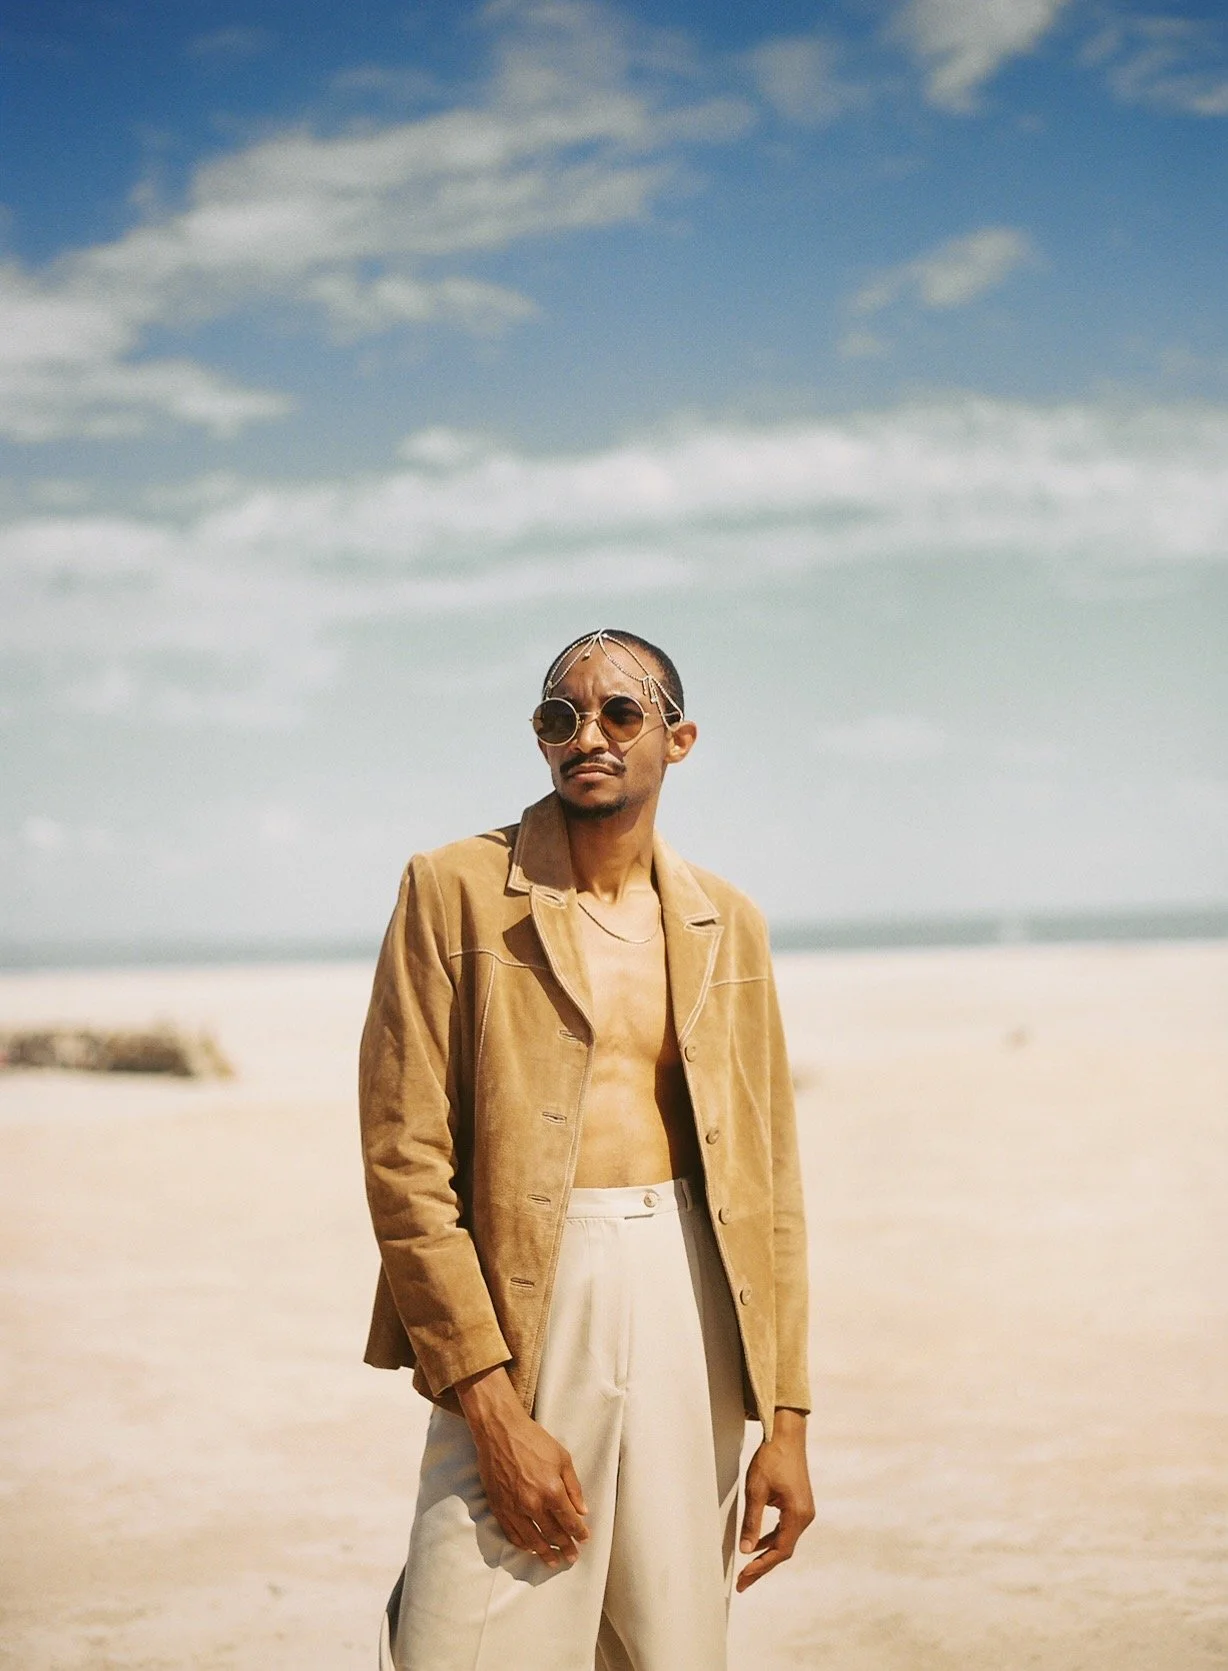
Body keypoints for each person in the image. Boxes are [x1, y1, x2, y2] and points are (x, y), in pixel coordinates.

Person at [359, 629, 813, 1671]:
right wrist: (487, 1404)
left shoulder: (725, 923)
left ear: (679, 737)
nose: (587, 737)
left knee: (668, 1646)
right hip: (520, 1300)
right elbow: (403, 1162)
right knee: (453, 1640)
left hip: (687, 1290)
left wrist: (784, 1418)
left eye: (619, 711)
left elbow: (769, 1180)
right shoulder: (452, 890)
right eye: (560, 718)